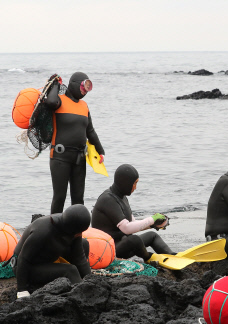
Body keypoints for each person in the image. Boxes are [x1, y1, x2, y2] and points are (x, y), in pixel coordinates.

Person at [44, 72, 105, 214]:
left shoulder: (84, 106)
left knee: (78, 199)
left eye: (88, 89)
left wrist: (101, 151)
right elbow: (50, 102)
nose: (85, 91)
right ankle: (55, 231)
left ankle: (77, 232)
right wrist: (55, 84)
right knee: (59, 197)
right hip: (60, 158)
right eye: (84, 86)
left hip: (79, 158)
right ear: (75, 84)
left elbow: (90, 131)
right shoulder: (59, 101)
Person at [91, 164, 173, 261]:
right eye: (134, 183)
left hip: (123, 243)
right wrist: (151, 219)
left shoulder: (122, 197)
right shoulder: (107, 199)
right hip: (107, 250)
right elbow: (126, 228)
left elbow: (132, 224)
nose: (135, 187)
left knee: (152, 235)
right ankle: (149, 258)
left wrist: (153, 224)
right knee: (135, 239)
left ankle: (172, 256)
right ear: (125, 183)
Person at [13, 204, 92, 297]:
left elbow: (79, 259)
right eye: (79, 232)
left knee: (84, 244)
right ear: (71, 228)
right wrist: (22, 290)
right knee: (70, 270)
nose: (80, 234)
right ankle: (83, 296)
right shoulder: (43, 231)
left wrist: (91, 280)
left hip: (47, 257)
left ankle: (82, 283)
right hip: (26, 267)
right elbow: (24, 258)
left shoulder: (70, 227)